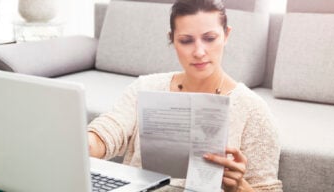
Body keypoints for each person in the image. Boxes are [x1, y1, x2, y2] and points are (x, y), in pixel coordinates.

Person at [87, 0, 282, 191]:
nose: (198, 52)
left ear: (226, 35)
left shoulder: (252, 109)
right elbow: (111, 129)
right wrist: (86, 144)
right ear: (172, 39)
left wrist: (239, 187)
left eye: (210, 38)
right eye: (186, 40)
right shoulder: (145, 87)